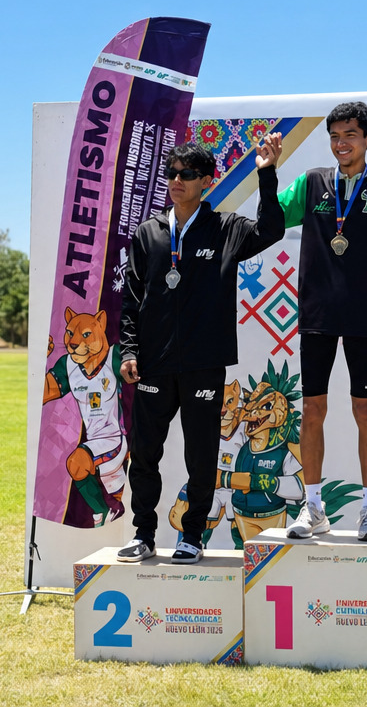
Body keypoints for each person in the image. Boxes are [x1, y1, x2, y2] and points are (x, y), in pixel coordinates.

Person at [116, 136, 286, 564]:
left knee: (201, 455)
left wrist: (266, 173)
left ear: (206, 181)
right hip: (153, 364)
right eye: (171, 173)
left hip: (203, 363)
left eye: (187, 174)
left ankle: (192, 536)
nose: (176, 181)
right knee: (145, 454)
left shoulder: (225, 228)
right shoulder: (149, 233)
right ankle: (143, 534)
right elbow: (131, 299)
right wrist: (129, 351)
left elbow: (271, 230)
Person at [269, 101, 367, 542]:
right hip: (317, 314)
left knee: (364, 409)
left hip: (363, 315)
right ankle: (313, 507)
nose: (341, 143)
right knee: (313, 409)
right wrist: (268, 171)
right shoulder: (312, 181)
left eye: (350, 135)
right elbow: (273, 220)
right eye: (335, 136)